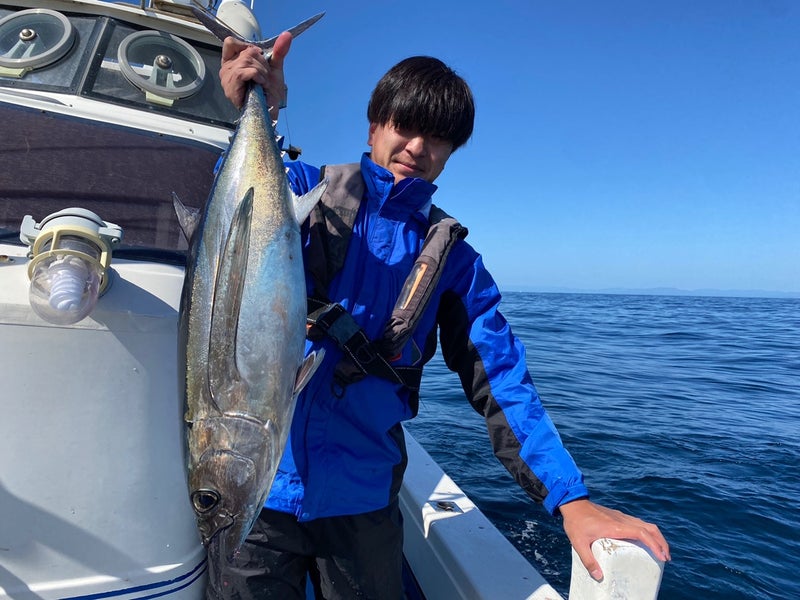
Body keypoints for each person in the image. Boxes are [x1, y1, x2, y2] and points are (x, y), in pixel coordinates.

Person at [210, 31, 670, 600]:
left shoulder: (454, 262)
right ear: (373, 127)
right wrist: (259, 106)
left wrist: (569, 498)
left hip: (364, 501)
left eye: (438, 137)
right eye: (403, 125)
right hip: (257, 483)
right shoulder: (303, 192)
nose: (417, 146)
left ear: (451, 153)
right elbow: (230, 222)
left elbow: (501, 380)